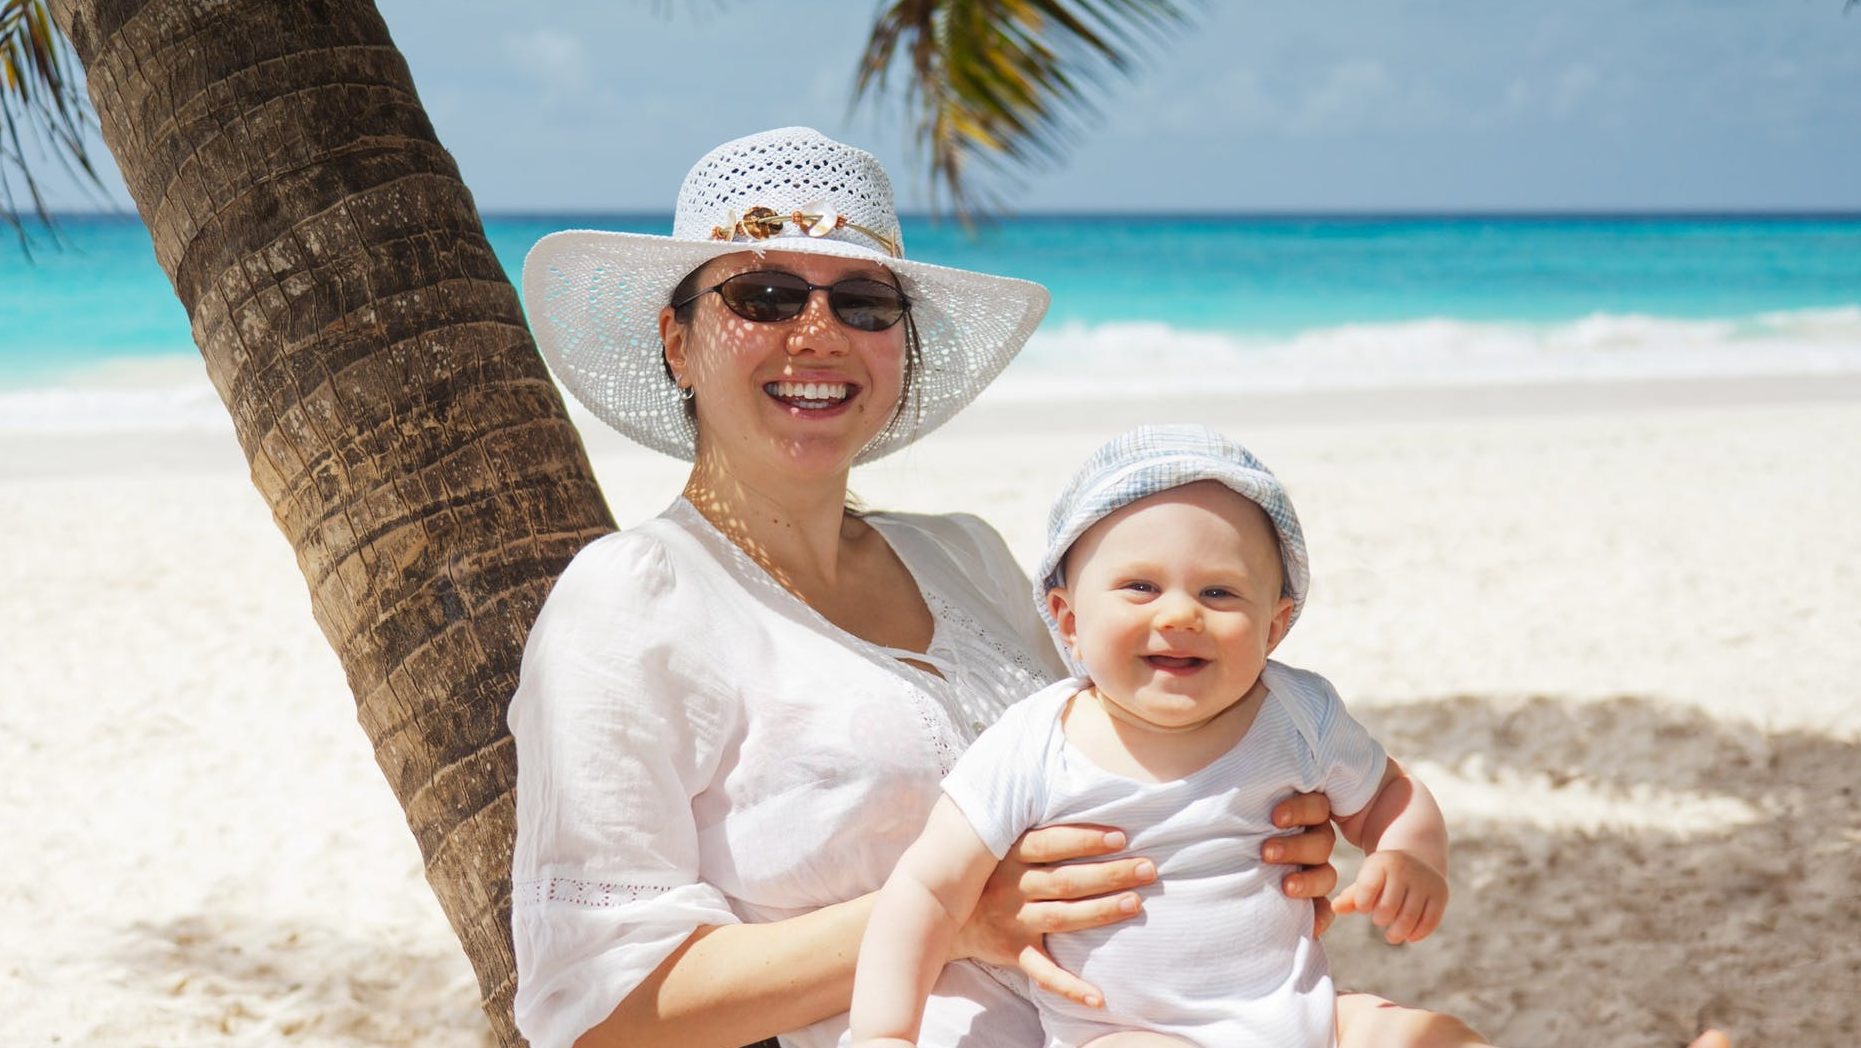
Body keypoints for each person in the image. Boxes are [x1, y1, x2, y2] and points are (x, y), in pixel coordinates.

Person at [510, 127, 1729, 1048]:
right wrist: (959, 914)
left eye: (864, 301)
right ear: (679, 339)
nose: (817, 332)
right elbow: (600, 1006)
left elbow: (1127, 751)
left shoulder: (970, 555)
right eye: (764, 294)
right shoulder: (635, 599)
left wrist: (1269, 816)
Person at [850, 426, 1453, 1048]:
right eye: (1140, 587)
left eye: (1218, 592)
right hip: (1124, 1033)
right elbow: (925, 889)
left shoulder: (1299, 713)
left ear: (1274, 627)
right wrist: (884, 1033)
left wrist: (1408, 854)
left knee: (1438, 1036)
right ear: (1069, 620)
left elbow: (1390, 793)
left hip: (1307, 1018)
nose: (1179, 615)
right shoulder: (1035, 743)